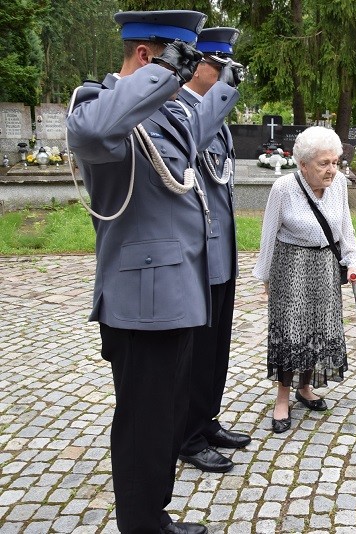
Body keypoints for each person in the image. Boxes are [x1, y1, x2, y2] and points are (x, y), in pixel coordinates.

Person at [66, 10, 237, 534]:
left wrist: (225, 86)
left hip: (178, 291)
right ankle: (141, 525)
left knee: (163, 416)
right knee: (144, 422)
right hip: (142, 301)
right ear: (148, 58)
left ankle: (153, 515)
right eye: (181, 65)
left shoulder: (160, 115)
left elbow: (194, 136)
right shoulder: (95, 106)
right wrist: (164, 75)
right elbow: (93, 135)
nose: (185, 78)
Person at [174, 27, 251, 474]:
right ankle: (186, 435)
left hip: (222, 251)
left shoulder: (209, 112)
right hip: (199, 254)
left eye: (227, 67)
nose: (224, 75)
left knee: (216, 346)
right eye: (218, 66)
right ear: (197, 64)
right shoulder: (180, 113)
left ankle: (206, 420)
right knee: (194, 349)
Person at [252, 126, 356, 434]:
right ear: (303, 164)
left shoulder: (339, 183)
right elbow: (268, 234)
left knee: (319, 327)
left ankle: (305, 388)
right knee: (291, 331)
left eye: (335, 162)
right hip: (291, 266)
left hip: (326, 263)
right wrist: (264, 277)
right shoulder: (284, 188)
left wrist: (351, 259)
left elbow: (346, 227)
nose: (332, 170)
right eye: (323, 163)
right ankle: (282, 398)